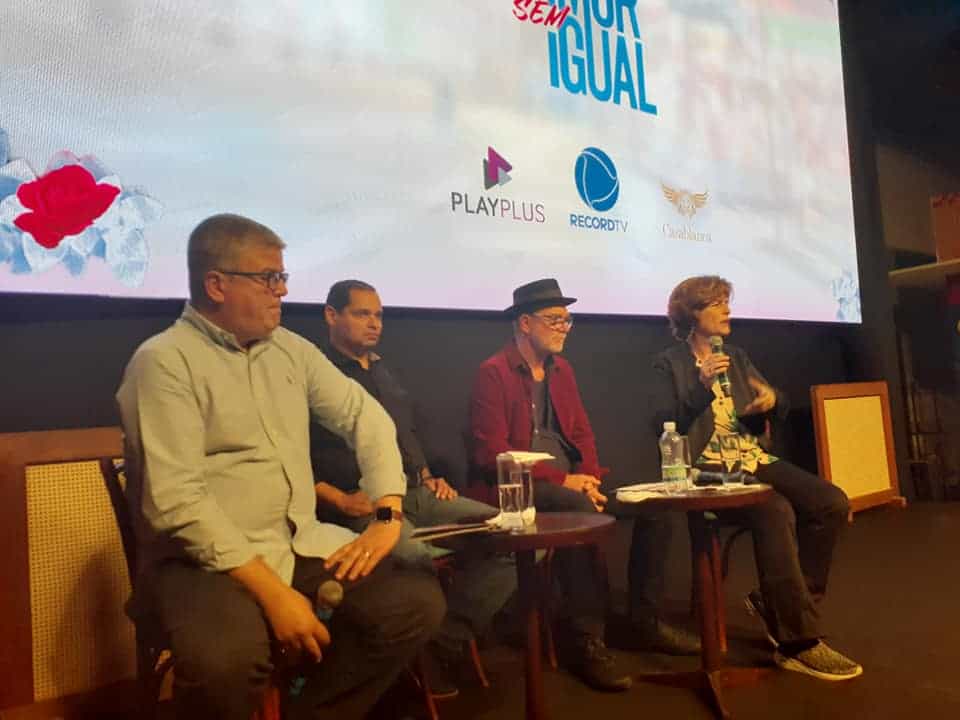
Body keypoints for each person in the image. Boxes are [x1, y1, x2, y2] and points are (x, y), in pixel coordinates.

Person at [116, 214, 445, 720]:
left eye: (283, 277)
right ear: (216, 285)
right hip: (203, 562)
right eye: (269, 278)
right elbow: (176, 503)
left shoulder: (290, 350)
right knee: (227, 662)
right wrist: (275, 595)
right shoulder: (162, 362)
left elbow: (366, 417)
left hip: (296, 542)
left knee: (415, 604)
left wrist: (386, 516)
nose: (283, 291)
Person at [468, 279, 696, 691]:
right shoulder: (493, 372)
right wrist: (564, 480)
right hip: (522, 487)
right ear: (525, 323)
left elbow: (581, 433)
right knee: (580, 511)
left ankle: (643, 620)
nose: (564, 328)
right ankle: (585, 638)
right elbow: (492, 455)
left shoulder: (562, 370)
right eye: (555, 320)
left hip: (572, 482)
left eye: (567, 320)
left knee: (656, 505)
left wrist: (588, 477)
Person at [310, 279, 517, 696]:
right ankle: (418, 658)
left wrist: (426, 474)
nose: (374, 323)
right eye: (362, 314)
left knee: (515, 535)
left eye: (379, 315)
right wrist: (338, 498)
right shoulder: (314, 376)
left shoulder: (384, 371)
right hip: (362, 505)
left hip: (416, 493)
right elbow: (291, 457)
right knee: (412, 557)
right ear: (332, 315)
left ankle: (439, 643)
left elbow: (406, 435)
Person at [650, 275, 862, 680]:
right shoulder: (669, 363)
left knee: (831, 502)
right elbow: (663, 424)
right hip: (707, 470)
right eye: (717, 303)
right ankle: (798, 643)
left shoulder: (737, 356)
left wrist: (773, 400)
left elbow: (772, 400)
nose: (727, 309)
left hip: (751, 457)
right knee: (775, 510)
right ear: (691, 313)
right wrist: (701, 387)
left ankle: (782, 603)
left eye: (726, 301)